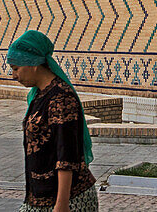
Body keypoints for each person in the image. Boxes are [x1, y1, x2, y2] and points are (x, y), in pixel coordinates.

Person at [7, 29, 98, 212]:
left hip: (68, 199)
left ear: (33, 64)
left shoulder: (61, 98)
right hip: (40, 198)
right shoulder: (40, 95)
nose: (13, 75)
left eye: (16, 68)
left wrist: (62, 204)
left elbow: (66, 155)